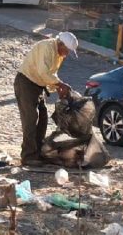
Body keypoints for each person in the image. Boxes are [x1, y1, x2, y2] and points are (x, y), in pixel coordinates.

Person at [14, 32, 78, 166]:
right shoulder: (47, 47)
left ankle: (37, 152)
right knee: (30, 119)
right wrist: (60, 84)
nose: (66, 54)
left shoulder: (57, 54)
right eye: (66, 51)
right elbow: (43, 72)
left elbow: (50, 74)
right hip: (26, 82)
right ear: (60, 44)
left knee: (43, 118)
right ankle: (28, 155)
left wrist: (57, 88)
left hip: (38, 85)